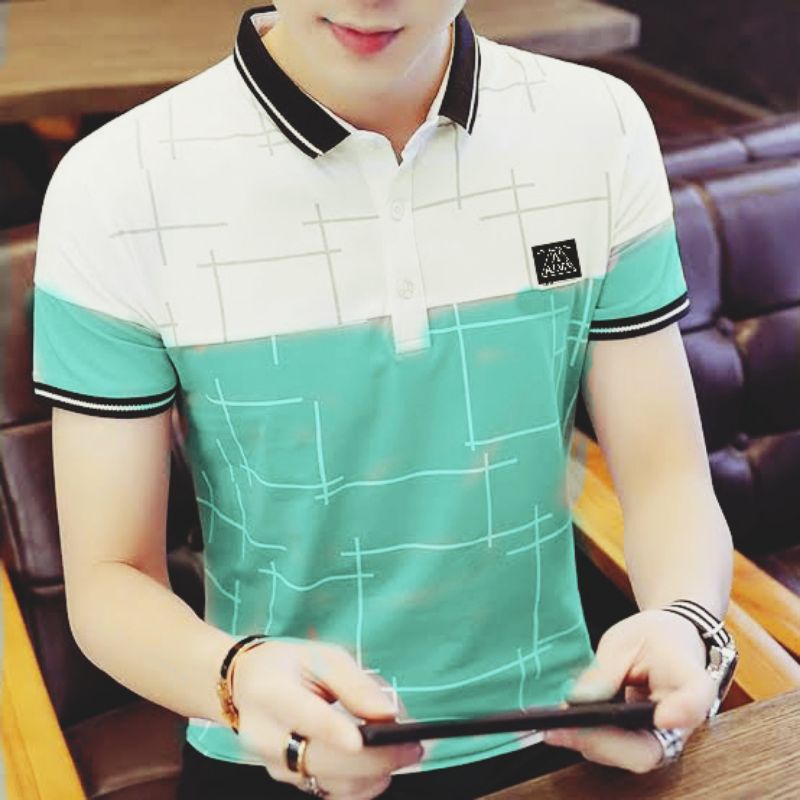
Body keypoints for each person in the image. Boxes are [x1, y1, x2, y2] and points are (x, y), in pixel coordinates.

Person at [31, 1, 736, 798]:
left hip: (572, 734)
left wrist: (686, 623)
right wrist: (236, 679)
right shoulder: (114, 187)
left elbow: (667, 478)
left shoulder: (597, 126)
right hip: (271, 751)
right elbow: (109, 579)